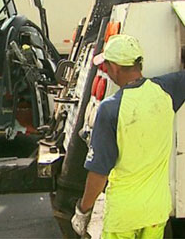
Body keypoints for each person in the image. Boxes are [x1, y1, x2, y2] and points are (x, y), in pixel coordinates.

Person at [72, 34, 185, 238]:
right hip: (156, 211)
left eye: (106, 65)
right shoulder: (167, 91)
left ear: (114, 67)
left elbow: (99, 173)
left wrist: (83, 210)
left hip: (123, 216)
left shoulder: (110, 109)